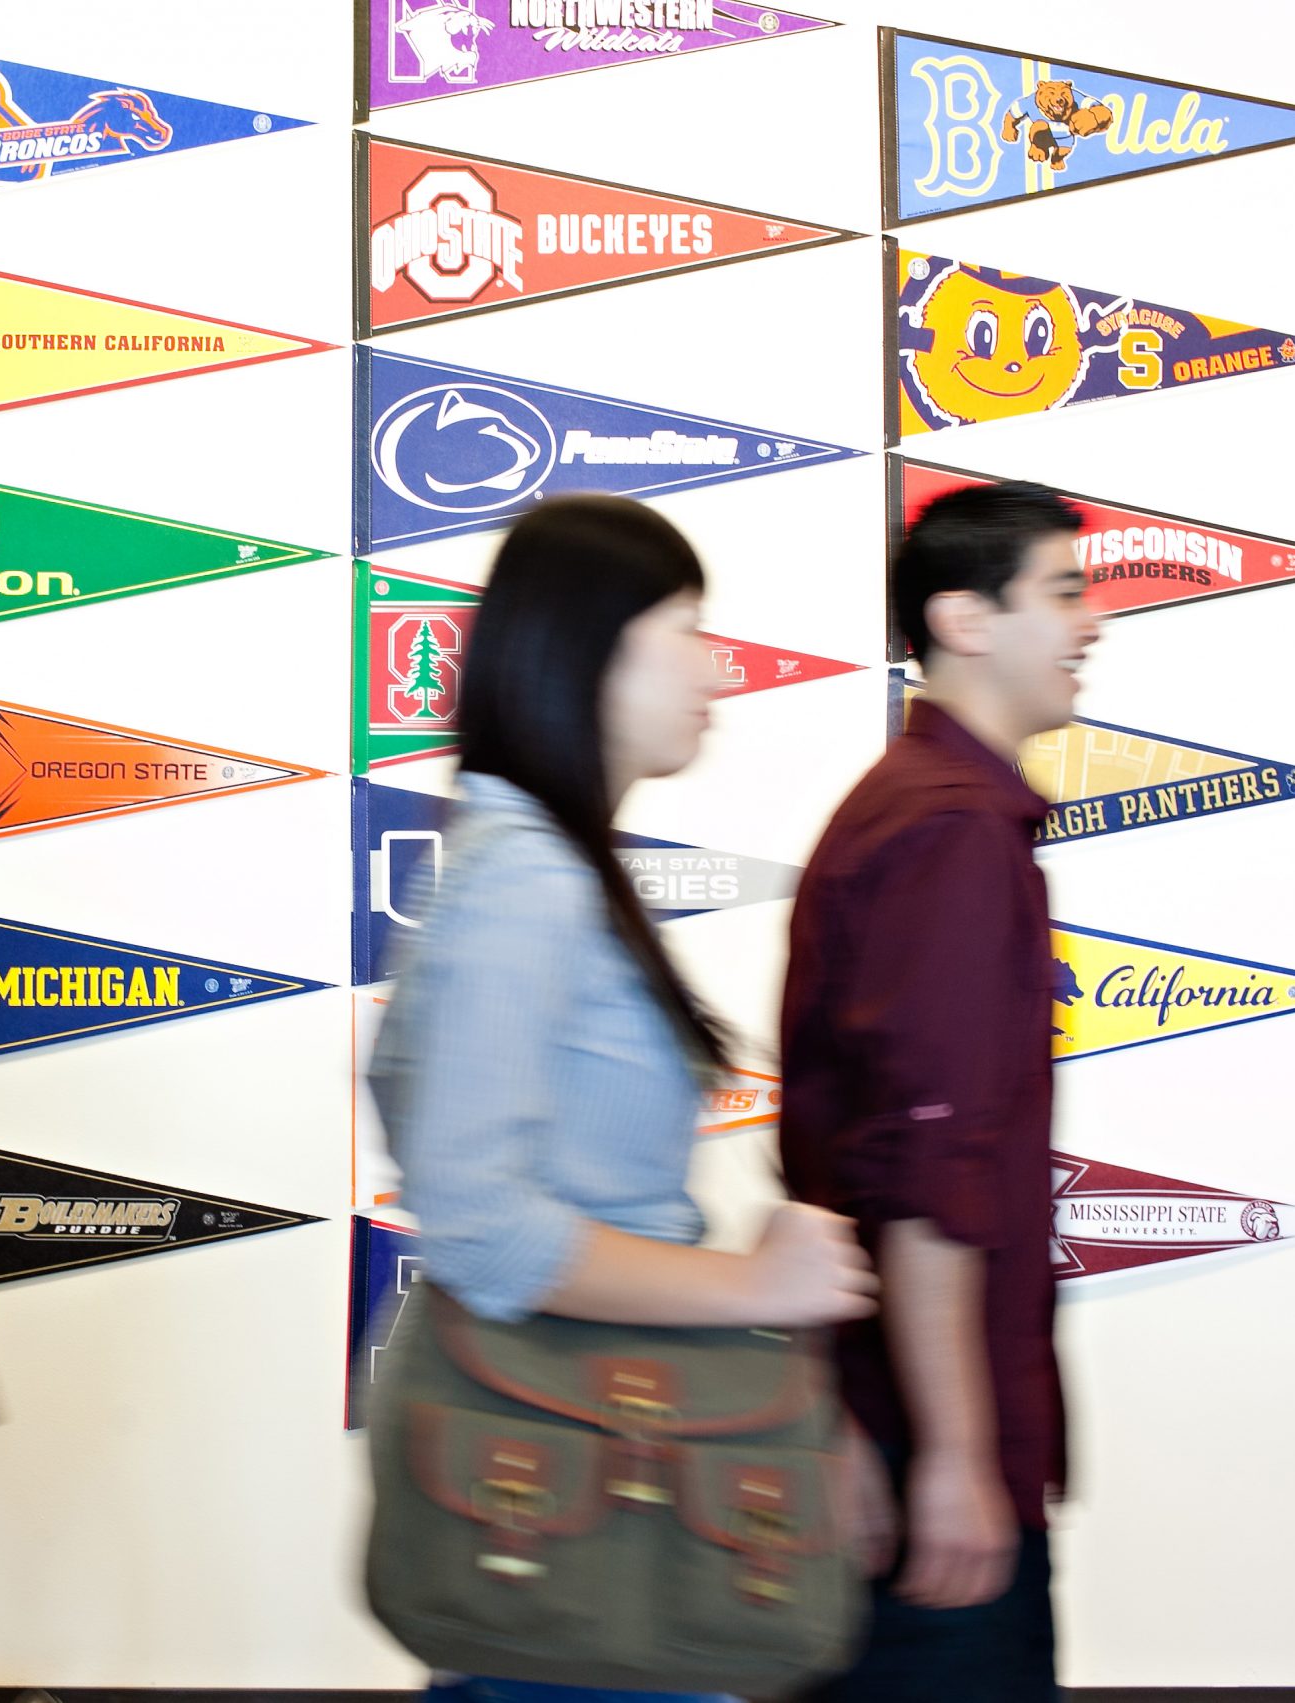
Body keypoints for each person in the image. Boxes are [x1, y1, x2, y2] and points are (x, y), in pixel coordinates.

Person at [366, 495, 880, 1703]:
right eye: (688, 628)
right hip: (561, 1469)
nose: (719, 668)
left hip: (591, 1452)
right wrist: (754, 1286)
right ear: (590, 646)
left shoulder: (539, 860)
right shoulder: (527, 878)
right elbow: (484, 1228)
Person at [779, 481, 1098, 1702]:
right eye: (1063, 592)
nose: (1090, 624)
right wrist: (958, 1458)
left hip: (886, 1423)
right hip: (933, 1459)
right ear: (964, 619)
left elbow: (845, 1157)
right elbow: (922, 1183)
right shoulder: (949, 833)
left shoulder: (919, 810)